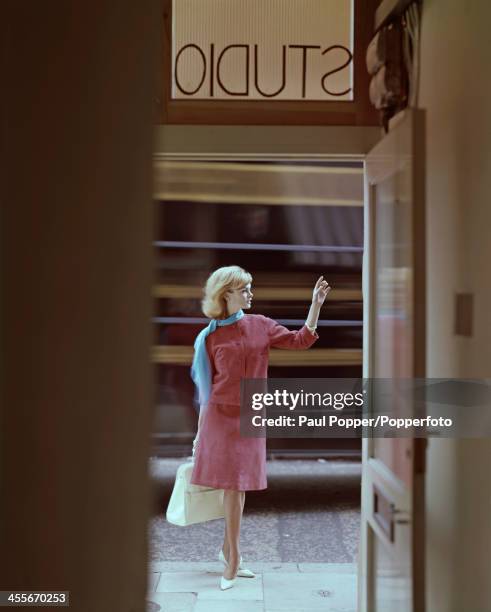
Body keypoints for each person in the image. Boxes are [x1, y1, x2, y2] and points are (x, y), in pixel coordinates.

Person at [189, 265, 331, 590]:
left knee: (237, 487)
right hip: (219, 419)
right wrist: (199, 435)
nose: (251, 294)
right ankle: (234, 558)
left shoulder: (261, 325)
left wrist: (316, 305)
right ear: (226, 294)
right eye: (245, 289)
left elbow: (301, 341)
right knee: (232, 487)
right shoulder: (208, 338)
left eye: (250, 288)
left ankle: (228, 550)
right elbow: (205, 392)